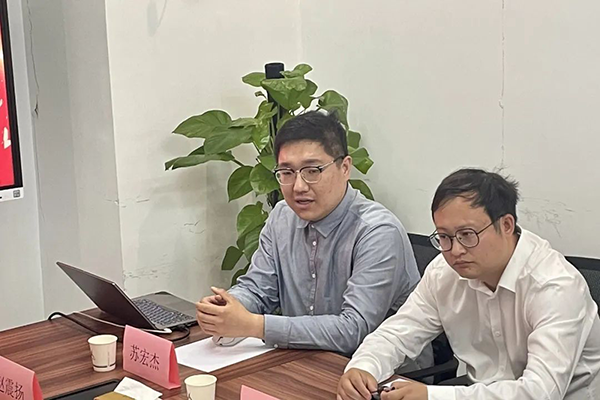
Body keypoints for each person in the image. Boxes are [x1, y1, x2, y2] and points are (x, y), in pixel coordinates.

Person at [338, 168, 600, 400]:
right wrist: (363, 367)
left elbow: (540, 392)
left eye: (467, 234)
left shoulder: (555, 286)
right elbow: (397, 334)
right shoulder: (443, 272)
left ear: (506, 225)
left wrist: (431, 396)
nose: (455, 250)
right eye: (444, 237)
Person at [195, 111, 425, 359]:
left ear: (345, 167)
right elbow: (257, 289)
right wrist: (228, 307)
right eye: (287, 172)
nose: (299, 186)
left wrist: (254, 325)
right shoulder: (282, 216)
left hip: (383, 373)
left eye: (312, 171)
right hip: (304, 360)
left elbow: (353, 330)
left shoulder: (377, 231)